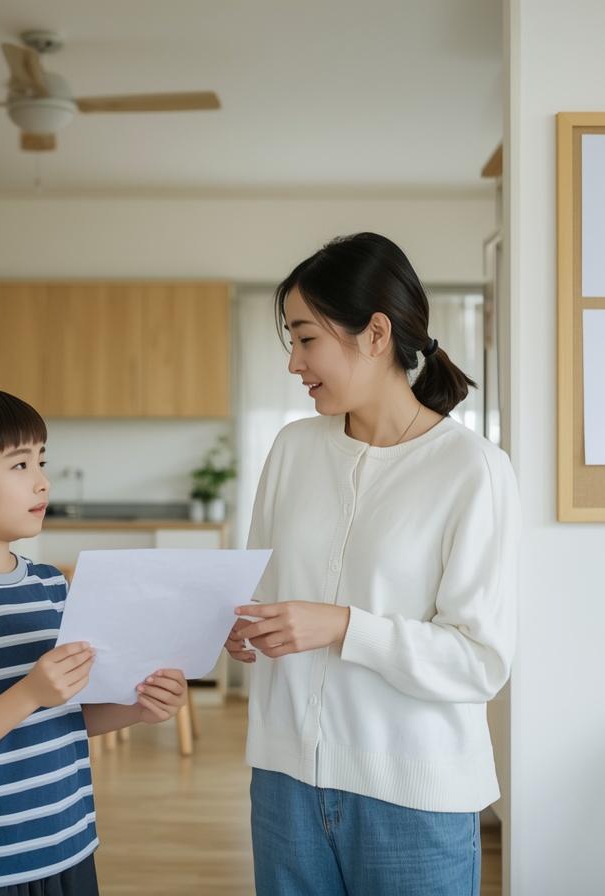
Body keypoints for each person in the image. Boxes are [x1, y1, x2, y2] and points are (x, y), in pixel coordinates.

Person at [226, 232, 519, 895]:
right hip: (284, 785)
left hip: (413, 794)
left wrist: (340, 625)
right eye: (290, 341)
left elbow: (481, 659)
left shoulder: (471, 470)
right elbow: (259, 594)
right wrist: (237, 626)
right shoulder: (294, 450)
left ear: (376, 333)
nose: (295, 363)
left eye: (306, 339)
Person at [0, 388, 189, 896]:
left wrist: (138, 708)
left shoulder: (50, 587)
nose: (43, 481)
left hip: (68, 845)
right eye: (20, 465)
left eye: (41, 460)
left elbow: (65, 717)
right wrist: (29, 692)